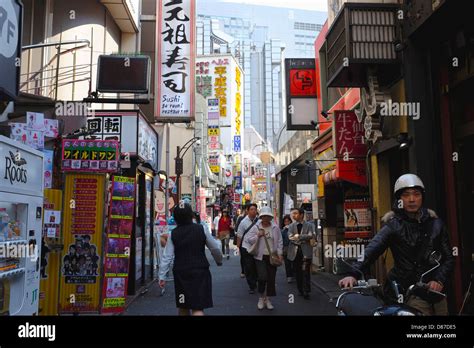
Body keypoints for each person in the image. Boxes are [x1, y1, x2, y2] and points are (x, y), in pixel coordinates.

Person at [339, 174, 455, 315]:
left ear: (422, 197)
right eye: (406, 195)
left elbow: (449, 257)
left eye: (416, 194)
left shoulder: (436, 224)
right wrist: (354, 273)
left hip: (436, 292)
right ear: (399, 199)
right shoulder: (393, 225)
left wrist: (439, 280)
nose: (412, 199)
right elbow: (372, 249)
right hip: (409, 291)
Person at [159, 203, 223, 316]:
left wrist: (162, 276)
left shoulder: (173, 234)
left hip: (181, 273)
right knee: (197, 307)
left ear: (176, 218)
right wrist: (219, 260)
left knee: (183, 306)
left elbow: (166, 257)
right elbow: (215, 248)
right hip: (200, 272)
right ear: (191, 215)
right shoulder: (201, 229)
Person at [246, 206, 283, 310]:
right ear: (261, 217)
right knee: (262, 277)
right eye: (264, 216)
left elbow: (280, 241)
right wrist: (258, 235)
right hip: (260, 257)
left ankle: (268, 299)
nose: (266, 218)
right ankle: (261, 298)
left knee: (271, 278)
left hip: (272, 256)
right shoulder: (256, 227)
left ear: (270, 217)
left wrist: (280, 254)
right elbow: (249, 240)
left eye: (268, 216)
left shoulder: (275, 228)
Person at [287, 207, 316, 300]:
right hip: (295, 252)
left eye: (295, 213)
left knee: (306, 272)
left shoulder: (309, 225)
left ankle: (306, 290)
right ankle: (300, 289)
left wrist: (299, 236)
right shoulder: (291, 226)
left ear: (301, 215)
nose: (293, 215)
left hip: (306, 252)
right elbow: (290, 237)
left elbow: (311, 235)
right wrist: (303, 238)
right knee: (298, 272)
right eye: (293, 213)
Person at [236, 203, 259, 294]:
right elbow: (239, 236)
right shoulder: (243, 222)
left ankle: (256, 280)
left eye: (255, 209)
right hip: (246, 247)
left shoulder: (259, 221)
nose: (253, 211)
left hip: (257, 247)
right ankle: (252, 285)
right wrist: (238, 248)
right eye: (251, 209)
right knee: (249, 267)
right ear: (247, 211)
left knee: (256, 266)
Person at [281, 215, 295, 283]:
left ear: (290, 221)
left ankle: (293, 274)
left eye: (288, 221)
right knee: (287, 263)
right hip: (286, 248)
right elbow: (281, 240)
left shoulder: (293, 228)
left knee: (293, 262)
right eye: (285, 221)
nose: (286, 223)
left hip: (293, 247)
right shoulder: (282, 230)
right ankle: (289, 276)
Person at [235, 207, 247, 278]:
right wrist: (238, 245)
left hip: (253, 242)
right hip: (242, 241)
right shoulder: (241, 219)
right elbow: (237, 229)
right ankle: (243, 271)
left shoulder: (256, 220)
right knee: (243, 257)